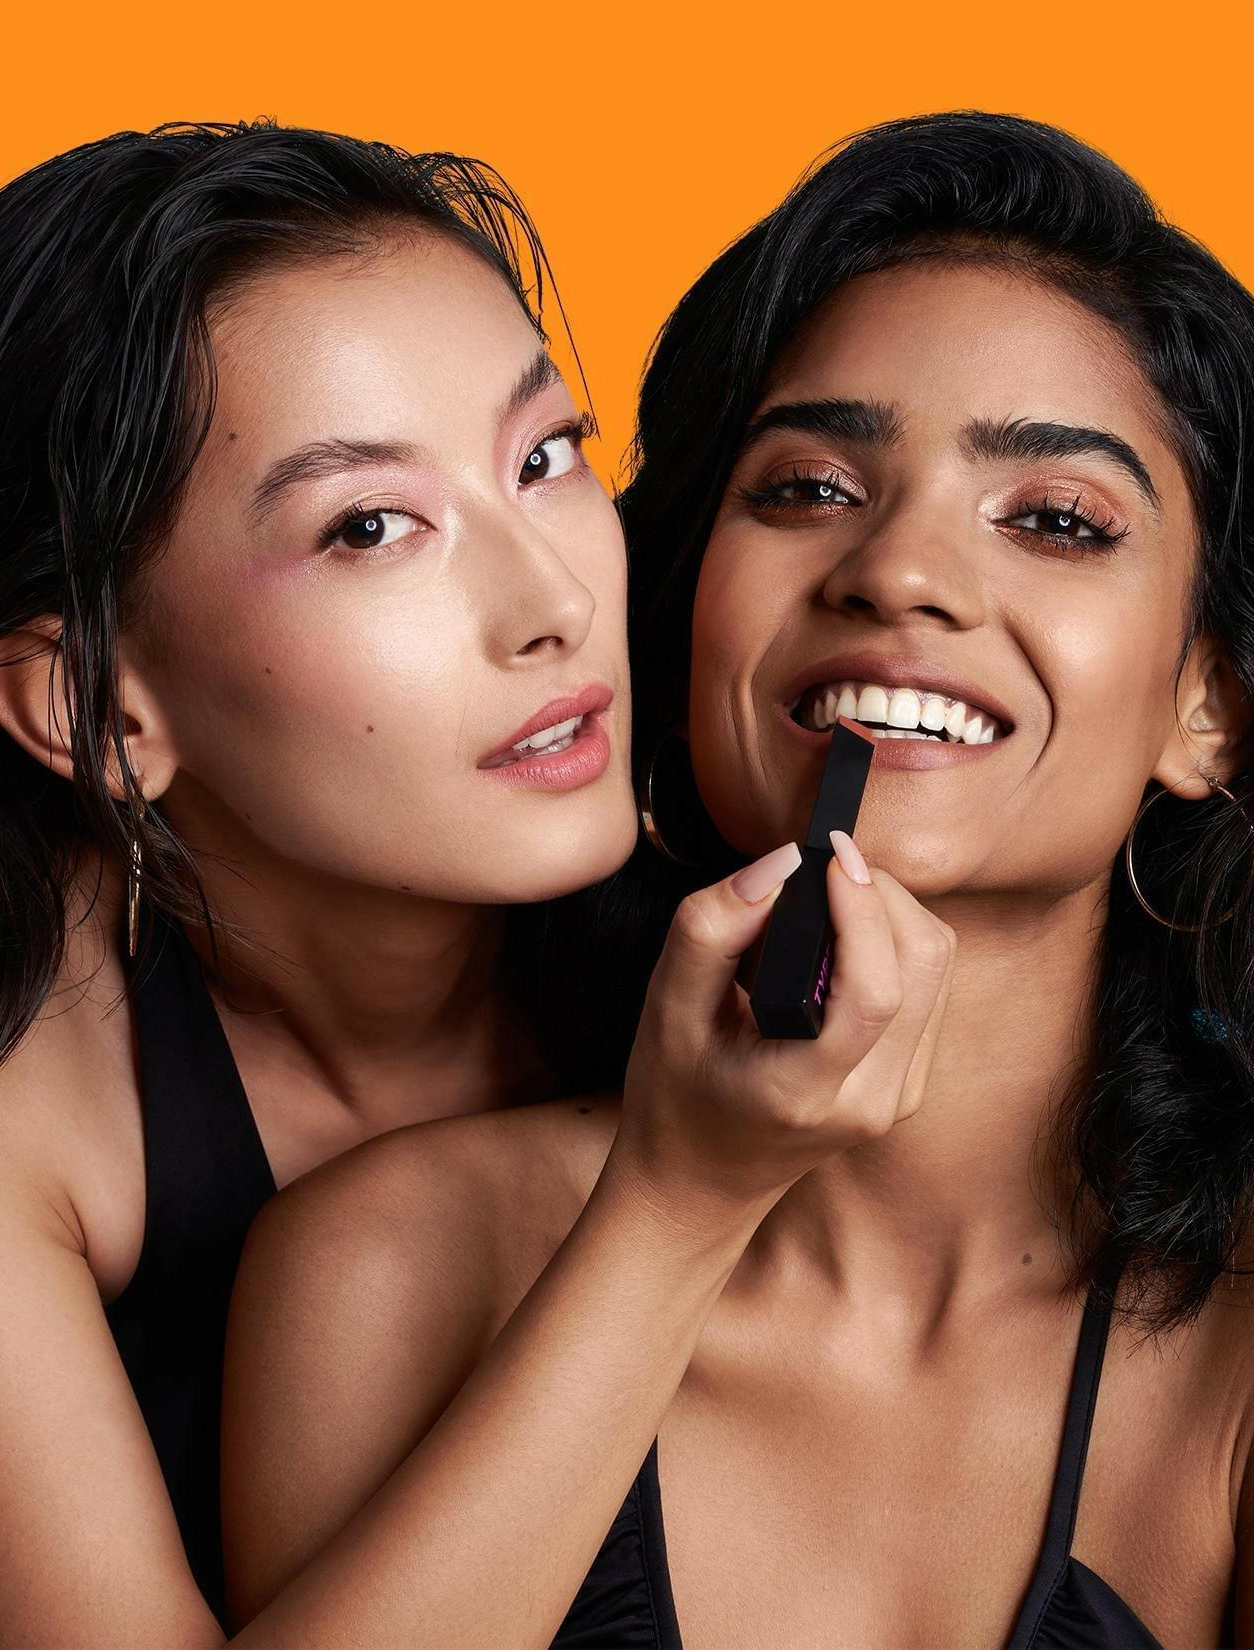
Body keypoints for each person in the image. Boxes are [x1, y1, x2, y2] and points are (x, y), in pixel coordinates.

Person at [223, 112, 1254, 1648]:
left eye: (1054, 519)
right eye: (808, 489)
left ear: (1209, 706)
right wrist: (674, 1206)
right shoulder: (388, 1261)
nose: (897, 570)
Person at [0, 118, 637, 1645]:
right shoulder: (22, 1113)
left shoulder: (750, 897)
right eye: (370, 527)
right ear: (99, 710)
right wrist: (671, 1209)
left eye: (545, 457)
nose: (552, 601)